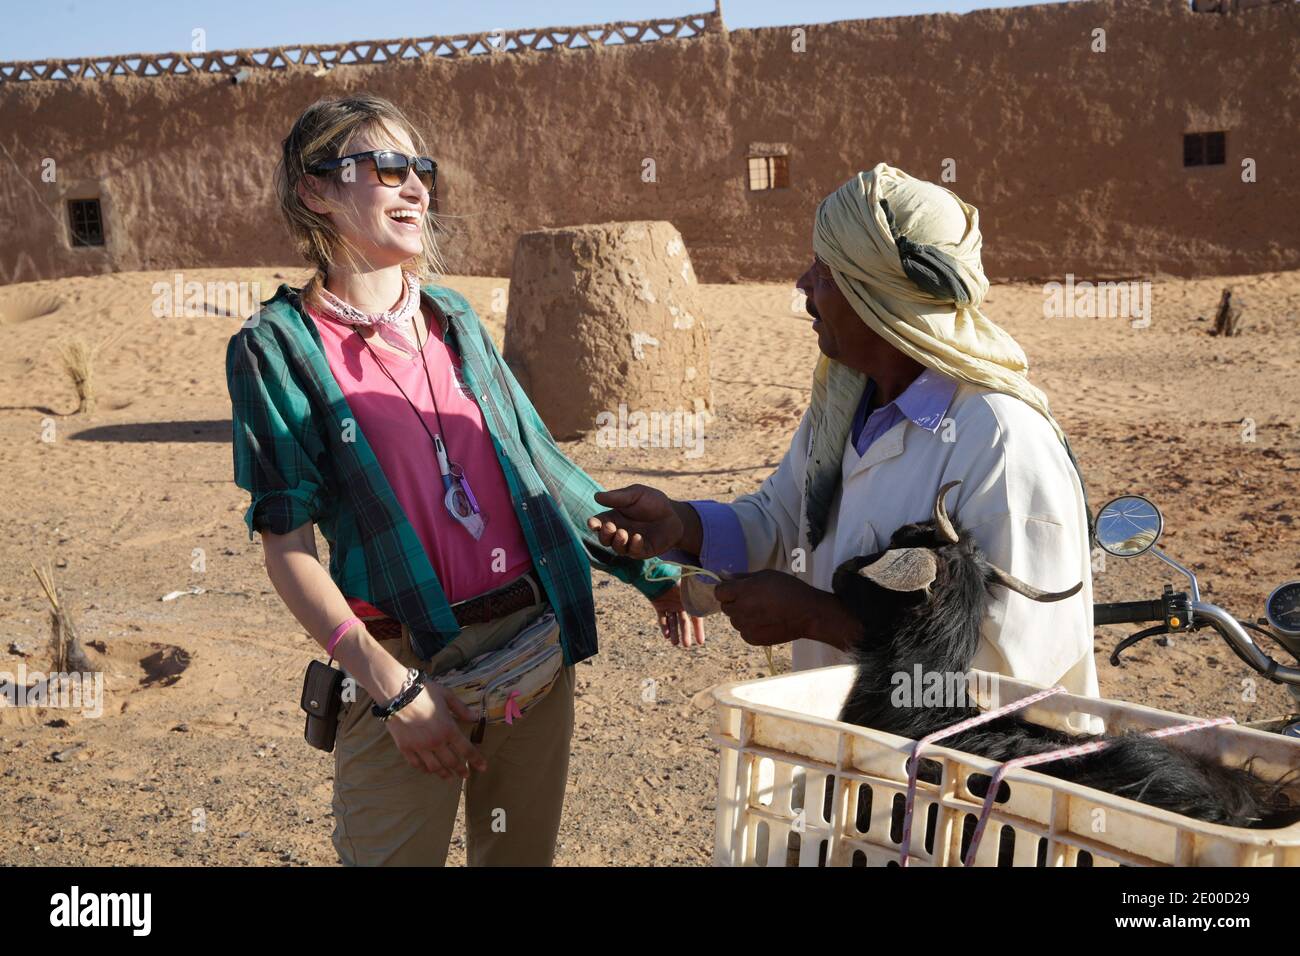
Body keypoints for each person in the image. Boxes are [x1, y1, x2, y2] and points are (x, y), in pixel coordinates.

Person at [225, 93, 693, 866]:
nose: (416, 187)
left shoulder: (455, 320)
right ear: (315, 191)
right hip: (403, 665)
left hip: (530, 649)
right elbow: (289, 549)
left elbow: (540, 469)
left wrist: (648, 568)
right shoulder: (276, 348)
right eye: (385, 167)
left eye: (422, 169)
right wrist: (396, 693)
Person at [588, 163, 1098, 696]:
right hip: (850, 756)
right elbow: (783, 523)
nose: (803, 285)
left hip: (960, 775)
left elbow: (1016, 669)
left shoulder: (1000, 439)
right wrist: (681, 523)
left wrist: (821, 619)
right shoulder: (845, 403)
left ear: (876, 299)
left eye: (825, 274)